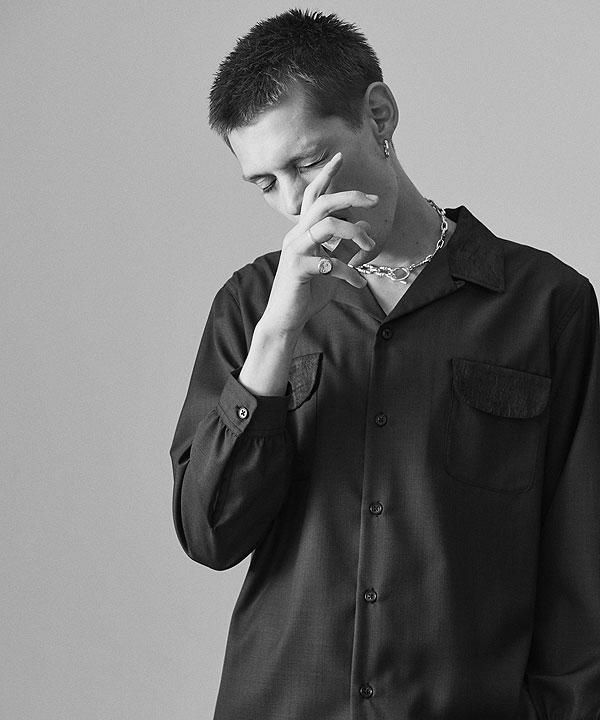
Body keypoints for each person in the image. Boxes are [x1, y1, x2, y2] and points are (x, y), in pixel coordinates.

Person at [170, 9, 600, 719]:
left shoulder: (547, 305)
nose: (296, 203)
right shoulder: (250, 306)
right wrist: (277, 336)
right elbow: (209, 534)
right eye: (266, 183)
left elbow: (582, 570)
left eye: (308, 163)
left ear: (378, 116)